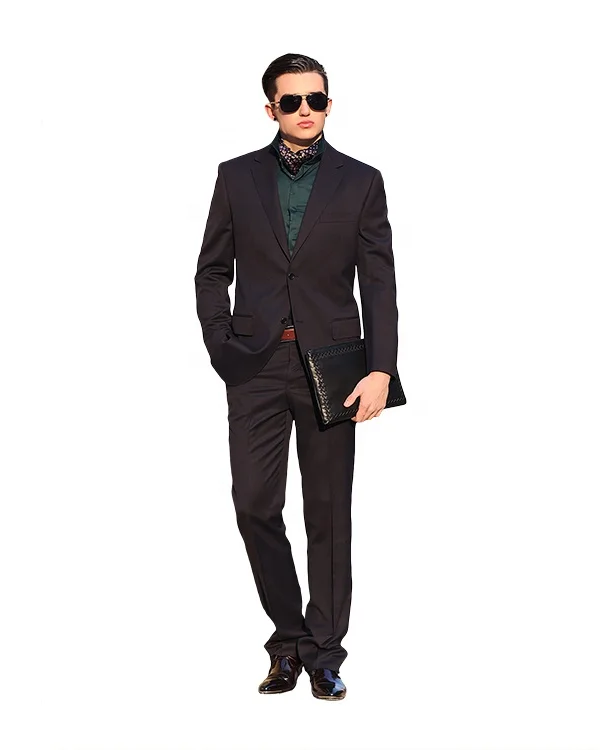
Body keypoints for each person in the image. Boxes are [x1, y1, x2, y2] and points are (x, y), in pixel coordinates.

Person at [194, 52, 400, 701]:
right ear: (271, 109)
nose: (305, 110)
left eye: (315, 99)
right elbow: (211, 270)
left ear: (328, 104)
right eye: (291, 101)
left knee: (329, 513)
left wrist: (381, 369)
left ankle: (325, 652)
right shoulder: (236, 176)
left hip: (333, 367)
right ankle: (287, 638)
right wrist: (221, 343)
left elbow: (379, 282)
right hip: (254, 366)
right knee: (254, 504)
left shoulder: (361, 181)